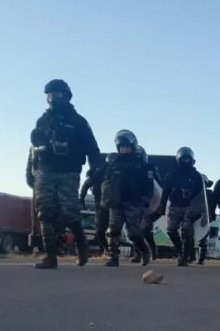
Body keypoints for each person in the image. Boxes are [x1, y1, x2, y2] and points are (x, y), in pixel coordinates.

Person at [28, 79, 100, 269]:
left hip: (69, 171)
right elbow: (34, 147)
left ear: (66, 95)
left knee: (69, 214)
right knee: (44, 213)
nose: (52, 98)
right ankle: (50, 257)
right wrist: (31, 170)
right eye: (49, 94)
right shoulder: (43, 120)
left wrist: (95, 168)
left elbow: (92, 147)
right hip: (45, 171)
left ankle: (82, 246)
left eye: (56, 94)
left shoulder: (78, 122)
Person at [101, 130, 153, 267]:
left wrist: (145, 200)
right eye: (121, 147)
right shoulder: (113, 163)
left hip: (134, 202)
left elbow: (149, 186)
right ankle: (113, 257)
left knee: (133, 233)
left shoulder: (142, 165)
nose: (124, 150)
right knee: (113, 229)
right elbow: (106, 182)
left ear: (133, 146)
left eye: (127, 147)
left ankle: (144, 250)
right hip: (116, 202)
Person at [160, 147, 205, 266]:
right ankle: (180, 251)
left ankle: (184, 257)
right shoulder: (172, 175)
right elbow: (166, 191)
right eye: (183, 159)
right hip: (174, 205)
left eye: (188, 159)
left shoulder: (196, 176)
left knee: (186, 231)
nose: (186, 162)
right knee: (170, 230)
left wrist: (200, 209)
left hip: (190, 207)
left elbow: (201, 194)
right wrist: (162, 205)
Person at [80, 152, 118, 253]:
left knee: (114, 229)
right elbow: (87, 184)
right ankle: (106, 249)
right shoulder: (100, 172)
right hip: (101, 203)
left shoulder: (122, 172)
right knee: (100, 230)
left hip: (116, 205)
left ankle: (113, 251)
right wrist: (81, 198)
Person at [199, 178, 216, 265]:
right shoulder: (210, 193)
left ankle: (193, 257)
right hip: (205, 217)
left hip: (201, 217)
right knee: (203, 239)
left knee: (191, 236)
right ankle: (200, 258)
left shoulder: (198, 192)